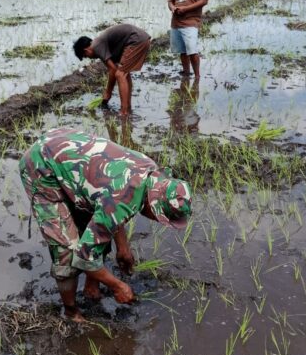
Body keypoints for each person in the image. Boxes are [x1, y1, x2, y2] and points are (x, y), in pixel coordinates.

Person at [19, 128, 192, 321]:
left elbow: (110, 206)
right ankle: (71, 312)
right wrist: (118, 286)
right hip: (41, 166)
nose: (156, 221)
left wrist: (123, 247)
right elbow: (84, 256)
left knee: (93, 230)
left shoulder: (150, 174)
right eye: (160, 218)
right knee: (66, 252)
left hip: (68, 153)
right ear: (153, 207)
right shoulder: (121, 198)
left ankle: (91, 288)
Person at [73, 24, 151, 117]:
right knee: (125, 74)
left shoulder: (96, 46)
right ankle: (128, 108)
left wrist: (108, 92)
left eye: (86, 56)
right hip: (140, 39)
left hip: (136, 40)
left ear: (86, 50)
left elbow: (113, 70)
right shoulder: (99, 44)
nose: (89, 58)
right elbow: (113, 67)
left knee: (120, 74)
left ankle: (124, 112)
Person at [168, 0, 209, 79]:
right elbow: (170, 1)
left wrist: (186, 9)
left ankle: (197, 76)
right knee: (182, 50)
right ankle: (186, 72)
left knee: (192, 50)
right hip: (176, 23)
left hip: (190, 22)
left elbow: (204, 0)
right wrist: (172, 8)